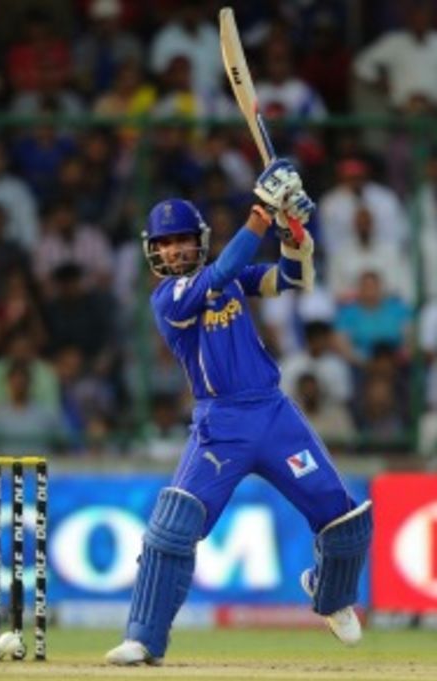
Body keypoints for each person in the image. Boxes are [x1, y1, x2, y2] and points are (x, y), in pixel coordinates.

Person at [105, 159, 373, 666]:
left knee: (344, 518)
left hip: (274, 414)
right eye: (165, 243)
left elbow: (291, 279)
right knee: (174, 527)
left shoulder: (228, 279)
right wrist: (262, 213)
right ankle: (143, 639)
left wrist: (293, 232)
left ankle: (332, 594)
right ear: (153, 251)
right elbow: (224, 270)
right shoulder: (168, 298)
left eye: (183, 240)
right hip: (221, 426)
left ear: (198, 240)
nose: (174, 249)